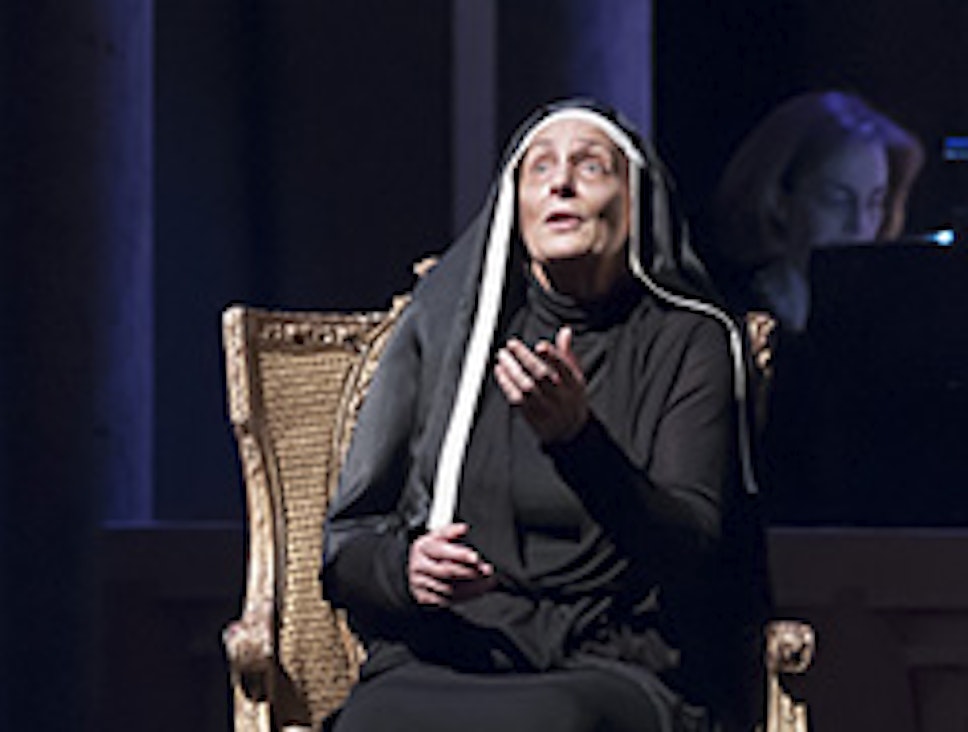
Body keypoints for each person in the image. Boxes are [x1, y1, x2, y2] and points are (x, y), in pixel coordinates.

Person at [320, 99, 768, 732]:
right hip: (458, 651)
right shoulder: (458, 336)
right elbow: (347, 551)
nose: (561, 183)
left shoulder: (690, 341)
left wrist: (578, 439)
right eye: (540, 169)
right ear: (515, 208)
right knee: (373, 720)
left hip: (614, 663)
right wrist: (405, 568)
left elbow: (693, 551)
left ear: (636, 202)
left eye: (591, 167)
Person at [705, 90, 925, 332]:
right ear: (779, 200)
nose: (860, 225)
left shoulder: (891, 312)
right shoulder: (719, 314)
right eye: (837, 200)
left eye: (874, 202)